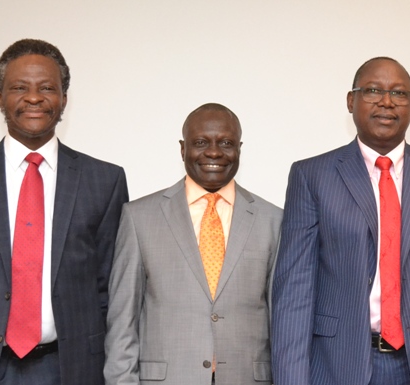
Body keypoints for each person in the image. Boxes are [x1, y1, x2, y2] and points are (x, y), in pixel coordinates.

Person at [271, 57, 410, 385]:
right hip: (339, 365)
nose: (387, 102)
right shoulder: (312, 176)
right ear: (351, 101)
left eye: (399, 94)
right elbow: (294, 296)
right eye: (373, 90)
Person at [0, 39, 129, 385]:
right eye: (19, 87)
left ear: (64, 98)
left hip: (69, 368)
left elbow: (110, 286)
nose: (34, 97)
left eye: (47, 88)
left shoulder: (104, 180)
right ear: (0, 98)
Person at [104, 103, 282, 385]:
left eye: (226, 143)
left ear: (240, 148)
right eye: (200, 142)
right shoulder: (138, 217)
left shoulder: (273, 220)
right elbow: (122, 322)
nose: (214, 152)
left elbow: (282, 322)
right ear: (182, 148)